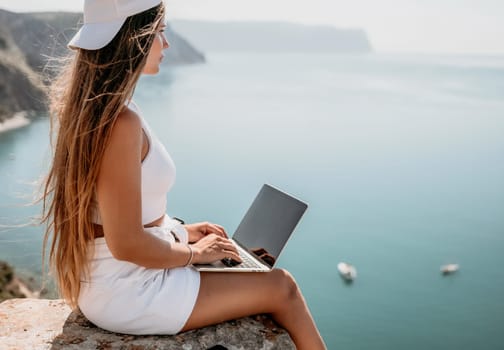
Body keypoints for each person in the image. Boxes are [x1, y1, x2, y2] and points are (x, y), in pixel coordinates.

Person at [41, 1, 326, 349]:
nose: (167, 43)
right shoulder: (120, 124)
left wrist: (182, 233)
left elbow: (113, 222)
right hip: (130, 290)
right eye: (160, 32)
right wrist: (195, 253)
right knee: (283, 288)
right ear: (135, 39)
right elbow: (126, 243)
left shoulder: (105, 111)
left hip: (119, 280)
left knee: (253, 271)